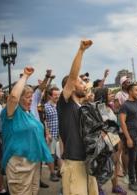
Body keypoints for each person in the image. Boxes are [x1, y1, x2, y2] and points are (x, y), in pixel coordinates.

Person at [0, 66, 53, 194]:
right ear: (19, 99)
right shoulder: (11, 112)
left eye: (31, 97)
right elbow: (13, 97)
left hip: (33, 161)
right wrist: (25, 75)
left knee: (34, 191)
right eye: (27, 97)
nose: (31, 100)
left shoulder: (28, 113)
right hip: (19, 163)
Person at [57, 39, 99, 195]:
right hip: (74, 162)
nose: (84, 85)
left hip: (87, 161)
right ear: (72, 85)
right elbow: (73, 75)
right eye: (81, 82)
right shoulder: (65, 103)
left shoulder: (81, 107)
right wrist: (81, 50)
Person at [94, 87, 127, 195]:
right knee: (104, 164)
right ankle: (98, 187)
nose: (112, 95)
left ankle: (115, 186)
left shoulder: (108, 107)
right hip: (106, 140)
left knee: (115, 162)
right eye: (109, 93)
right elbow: (104, 127)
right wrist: (111, 143)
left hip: (113, 137)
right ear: (103, 96)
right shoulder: (101, 108)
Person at [119, 83, 137, 192]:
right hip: (131, 134)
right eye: (136, 90)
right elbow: (122, 123)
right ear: (130, 92)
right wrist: (128, 138)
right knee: (132, 159)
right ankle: (132, 182)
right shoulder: (125, 105)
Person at [44, 86, 62, 180]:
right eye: (55, 95)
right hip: (52, 134)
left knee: (60, 154)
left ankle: (60, 171)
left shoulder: (60, 105)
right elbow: (44, 121)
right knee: (51, 154)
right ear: (50, 96)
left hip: (61, 135)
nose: (57, 96)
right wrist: (47, 134)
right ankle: (52, 173)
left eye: (58, 94)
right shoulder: (46, 107)